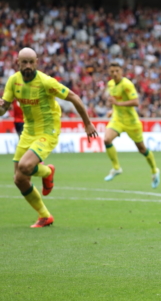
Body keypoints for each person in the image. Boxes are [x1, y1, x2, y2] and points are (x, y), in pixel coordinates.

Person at [0, 47, 98, 228]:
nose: (28, 66)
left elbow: (74, 97)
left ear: (37, 62)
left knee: (24, 166)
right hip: (28, 130)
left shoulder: (46, 82)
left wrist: (87, 123)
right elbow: (3, 108)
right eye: (24, 62)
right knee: (19, 179)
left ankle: (46, 172)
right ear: (18, 63)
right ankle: (45, 216)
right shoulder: (13, 81)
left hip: (48, 130)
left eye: (31, 62)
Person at [103, 62, 160, 188]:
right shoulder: (110, 84)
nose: (114, 73)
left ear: (121, 71)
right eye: (112, 71)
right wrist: (112, 110)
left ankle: (155, 170)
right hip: (117, 119)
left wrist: (117, 104)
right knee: (106, 139)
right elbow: (116, 102)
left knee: (142, 149)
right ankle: (116, 168)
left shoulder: (127, 84)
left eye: (117, 71)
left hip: (131, 122)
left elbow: (136, 102)